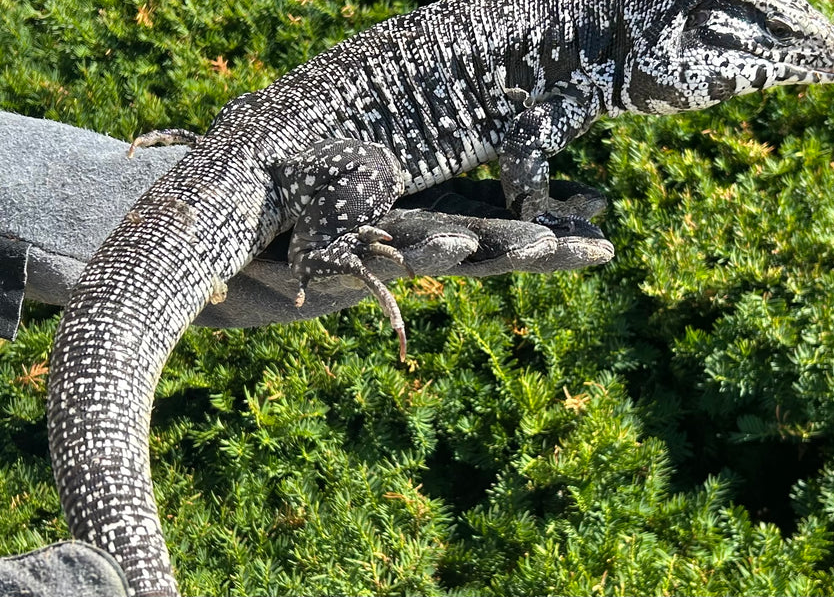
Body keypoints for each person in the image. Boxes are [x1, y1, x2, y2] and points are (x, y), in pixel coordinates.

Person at [0, 110, 613, 593]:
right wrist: (318, 239)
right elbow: (528, 135)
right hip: (269, 159)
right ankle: (315, 250)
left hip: (258, 152)